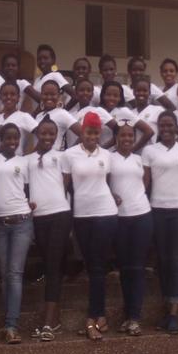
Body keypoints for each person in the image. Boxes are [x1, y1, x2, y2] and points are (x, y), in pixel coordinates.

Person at [61, 112, 118, 341]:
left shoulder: (107, 155)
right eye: (88, 131)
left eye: (96, 132)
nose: (92, 136)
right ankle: (100, 315)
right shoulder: (69, 155)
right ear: (81, 131)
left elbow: (109, 184)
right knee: (90, 265)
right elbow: (64, 186)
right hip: (82, 216)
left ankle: (92, 318)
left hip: (106, 214)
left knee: (97, 266)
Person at [142, 111, 178, 335]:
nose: (166, 128)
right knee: (162, 260)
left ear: (176, 126)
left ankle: (174, 313)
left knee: (176, 258)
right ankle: (166, 308)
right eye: (162, 125)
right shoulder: (150, 151)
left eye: (170, 125)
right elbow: (145, 183)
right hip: (158, 209)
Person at [24, 118, 72, 341]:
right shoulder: (27, 160)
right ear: (37, 134)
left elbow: (66, 183)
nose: (47, 137)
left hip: (60, 214)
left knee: (53, 266)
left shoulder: (62, 157)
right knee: (50, 264)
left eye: (51, 134)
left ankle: (48, 322)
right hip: (39, 217)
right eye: (43, 133)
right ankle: (56, 315)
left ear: (56, 135)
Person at [0, 125, 33, 344]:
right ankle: (7, 323)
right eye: (8, 137)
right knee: (5, 274)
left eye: (16, 138)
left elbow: (26, 190)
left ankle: (12, 325)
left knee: (14, 273)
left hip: (21, 222)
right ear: (1, 139)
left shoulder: (23, 162)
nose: (12, 141)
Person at [108, 123, 152, 336]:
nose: (127, 138)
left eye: (130, 135)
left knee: (137, 268)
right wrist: (111, 195)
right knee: (125, 269)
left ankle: (135, 317)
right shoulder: (108, 158)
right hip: (119, 218)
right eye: (123, 135)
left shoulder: (138, 158)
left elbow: (145, 183)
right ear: (116, 137)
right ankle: (128, 315)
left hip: (142, 216)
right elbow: (104, 182)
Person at [98, 80, 153, 150]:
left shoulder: (124, 111)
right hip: (101, 156)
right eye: (108, 95)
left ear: (120, 98)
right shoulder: (98, 112)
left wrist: (132, 150)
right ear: (103, 95)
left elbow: (148, 131)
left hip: (117, 156)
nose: (112, 98)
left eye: (115, 96)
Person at [65, 79, 114, 148]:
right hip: (72, 156)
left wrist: (104, 148)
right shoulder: (70, 114)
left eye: (88, 90)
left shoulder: (98, 111)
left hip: (90, 155)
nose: (85, 93)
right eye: (81, 90)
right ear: (76, 93)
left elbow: (118, 129)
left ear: (92, 94)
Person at [0, 81, 37, 155]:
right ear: (0, 97)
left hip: (18, 163)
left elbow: (42, 135)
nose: (9, 97)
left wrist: (31, 156)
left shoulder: (24, 117)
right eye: (5, 94)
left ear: (18, 97)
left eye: (12, 94)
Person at [33, 80, 76, 150]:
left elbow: (82, 133)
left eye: (53, 94)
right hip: (38, 158)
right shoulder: (39, 116)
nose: (49, 97)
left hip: (54, 159)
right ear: (41, 95)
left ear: (58, 96)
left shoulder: (62, 114)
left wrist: (69, 153)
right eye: (46, 94)